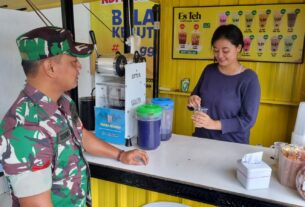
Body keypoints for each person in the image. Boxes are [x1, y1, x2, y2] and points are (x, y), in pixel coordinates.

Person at [0, 26, 149, 207]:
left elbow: (81, 134)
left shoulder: (63, 102)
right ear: (50, 68)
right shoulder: (26, 130)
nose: (79, 66)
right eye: (73, 61)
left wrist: (120, 154)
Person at [188, 24, 261, 144]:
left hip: (231, 144)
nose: (219, 55)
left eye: (225, 50)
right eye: (216, 50)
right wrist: (193, 100)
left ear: (238, 48)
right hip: (201, 139)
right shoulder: (209, 70)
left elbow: (248, 120)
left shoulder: (249, 79)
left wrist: (213, 124)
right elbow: (195, 97)